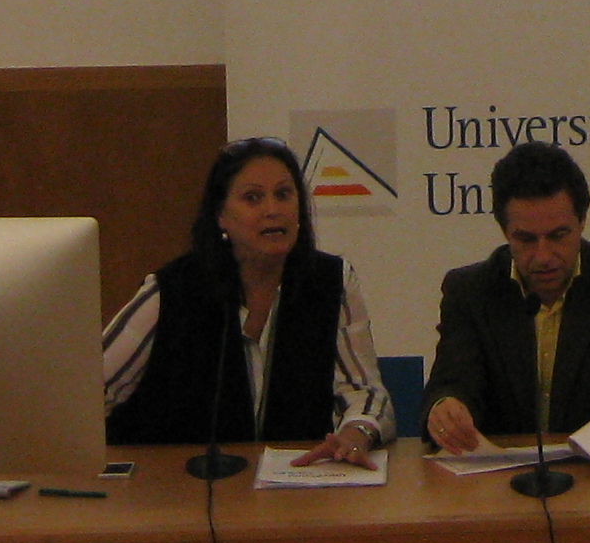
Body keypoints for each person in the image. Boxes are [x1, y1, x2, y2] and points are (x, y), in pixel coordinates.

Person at [102, 137, 390, 464]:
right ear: (221, 216)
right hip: (178, 485)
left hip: (294, 484)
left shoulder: (331, 282)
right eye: (252, 198)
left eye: (283, 194)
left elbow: (364, 391)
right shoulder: (170, 291)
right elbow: (89, 394)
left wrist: (356, 431)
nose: (273, 210)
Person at [422, 143, 590, 452]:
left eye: (558, 236)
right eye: (526, 239)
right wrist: (446, 409)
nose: (544, 256)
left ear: (582, 222)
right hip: (500, 474)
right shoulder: (470, 291)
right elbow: (453, 383)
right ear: (504, 231)